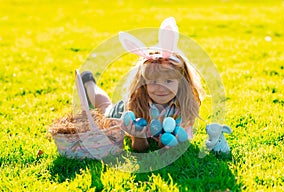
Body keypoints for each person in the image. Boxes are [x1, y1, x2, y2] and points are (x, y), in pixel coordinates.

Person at [81, 17, 205, 152]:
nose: (161, 88)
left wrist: (168, 143)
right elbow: (140, 149)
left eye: (168, 81)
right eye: (153, 82)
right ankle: (88, 83)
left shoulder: (185, 106)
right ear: (144, 84)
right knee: (105, 108)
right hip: (122, 112)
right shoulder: (136, 105)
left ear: (181, 83)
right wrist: (138, 137)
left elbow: (181, 140)